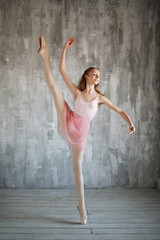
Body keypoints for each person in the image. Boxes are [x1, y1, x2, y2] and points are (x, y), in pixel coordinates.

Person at [38, 35, 135, 225]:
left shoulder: (100, 98)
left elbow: (120, 110)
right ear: (87, 76)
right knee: (54, 87)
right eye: (94, 74)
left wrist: (130, 123)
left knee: (78, 169)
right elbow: (62, 70)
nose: (98, 77)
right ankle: (44, 54)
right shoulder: (78, 93)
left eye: (99, 75)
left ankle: (81, 206)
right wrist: (65, 49)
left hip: (80, 134)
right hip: (69, 118)